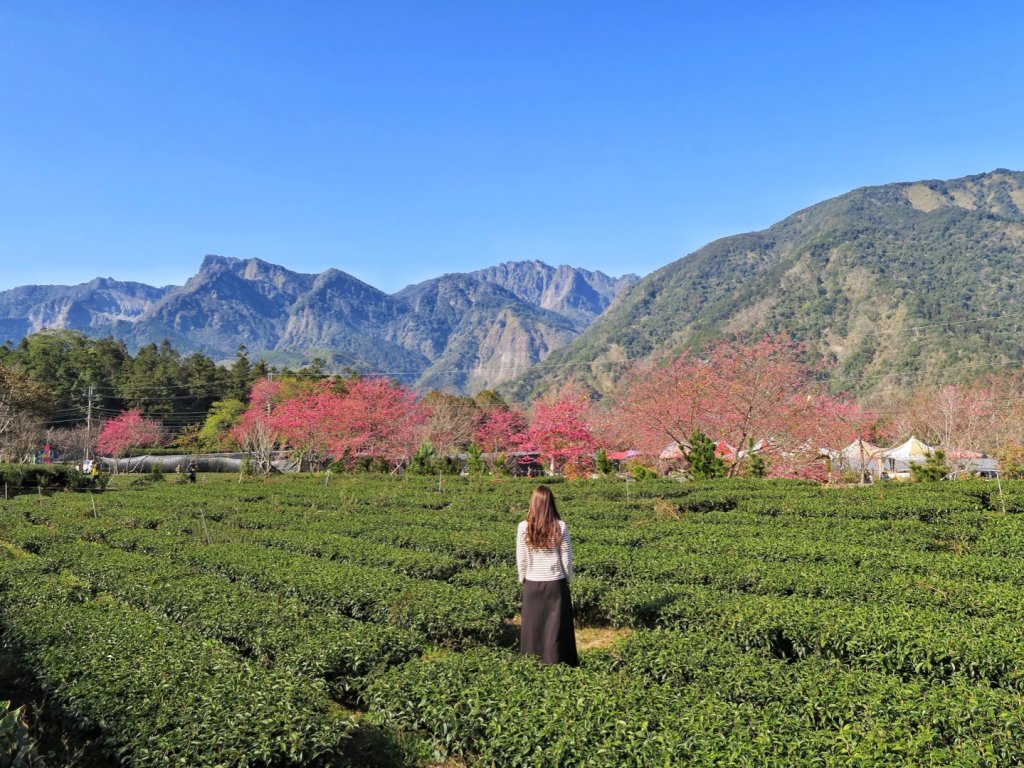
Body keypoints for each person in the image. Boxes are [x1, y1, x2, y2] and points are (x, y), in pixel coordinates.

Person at [516, 485, 579, 666]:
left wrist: (524, 578)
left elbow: (522, 558)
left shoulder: (523, 527)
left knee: (532, 627)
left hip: (532, 583)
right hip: (555, 583)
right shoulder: (560, 526)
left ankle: (532, 663)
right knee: (557, 627)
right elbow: (566, 559)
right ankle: (559, 663)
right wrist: (568, 579)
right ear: (551, 502)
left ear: (533, 503)